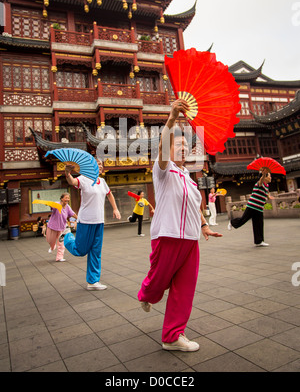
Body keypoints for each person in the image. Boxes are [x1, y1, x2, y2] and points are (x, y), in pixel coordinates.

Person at [138, 99, 222, 352]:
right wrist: (172, 118)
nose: (184, 149)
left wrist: (205, 226)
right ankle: (146, 295)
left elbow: (196, 205)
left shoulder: (189, 178)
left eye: (187, 145)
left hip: (190, 239)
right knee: (158, 281)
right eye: (179, 145)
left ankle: (172, 336)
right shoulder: (163, 171)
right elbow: (162, 151)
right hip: (167, 235)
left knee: (184, 287)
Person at [63, 158, 121, 291]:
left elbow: (109, 194)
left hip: (99, 221)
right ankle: (67, 237)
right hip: (86, 221)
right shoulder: (83, 179)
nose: (100, 166)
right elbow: (72, 181)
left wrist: (115, 208)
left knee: (95, 251)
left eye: (101, 164)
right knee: (80, 251)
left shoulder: (103, 182)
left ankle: (93, 281)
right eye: (97, 164)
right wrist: (68, 173)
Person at [228, 169, 273, 246]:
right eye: (269, 176)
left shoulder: (267, 186)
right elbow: (261, 180)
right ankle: (232, 222)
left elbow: (266, 194)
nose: (271, 177)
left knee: (259, 224)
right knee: (243, 219)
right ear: (265, 177)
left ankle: (259, 241)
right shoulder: (259, 183)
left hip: (259, 208)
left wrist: (269, 197)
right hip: (252, 206)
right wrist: (263, 174)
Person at [46, 193, 77, 262]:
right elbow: (52, 206)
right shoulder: (57, 204)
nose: (67, 199)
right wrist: (50, 205)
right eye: (66, 198)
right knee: (50, 240)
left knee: (61, 242)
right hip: (52, 226)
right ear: (62, 198)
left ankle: (59, 257)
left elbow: (72, 213)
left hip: (62, 227)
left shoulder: (67, 207)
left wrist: (79, 218)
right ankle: (52, 246)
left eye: (68, 198)